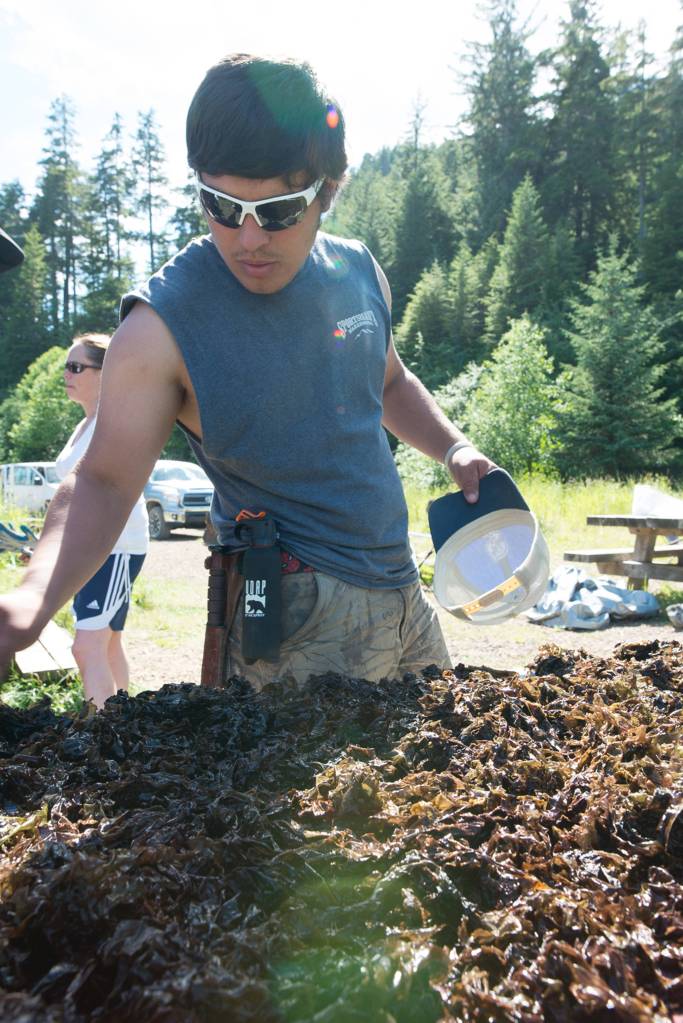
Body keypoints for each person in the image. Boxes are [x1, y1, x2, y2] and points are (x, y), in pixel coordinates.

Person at [0, 54, 494, 689]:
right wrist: (31, 600)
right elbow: (103, 480)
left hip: (404, 593)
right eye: (222, 206)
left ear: (330, 189)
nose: (249, 238)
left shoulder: (360, 274)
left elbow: (389, 381)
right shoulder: (160, 328)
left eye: (280, 210)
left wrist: (453, 447)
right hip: (288, 616)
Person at [56, 334, 148, 708]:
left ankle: (103, 733)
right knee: (107, 642)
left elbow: (106, 489)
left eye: (76, 367)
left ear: (104, 372)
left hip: (113, 547)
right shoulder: (87, 423)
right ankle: (126, 722)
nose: (67, 373)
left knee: (85, 646)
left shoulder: (111, 422)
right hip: (93, 549)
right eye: (66, 366)